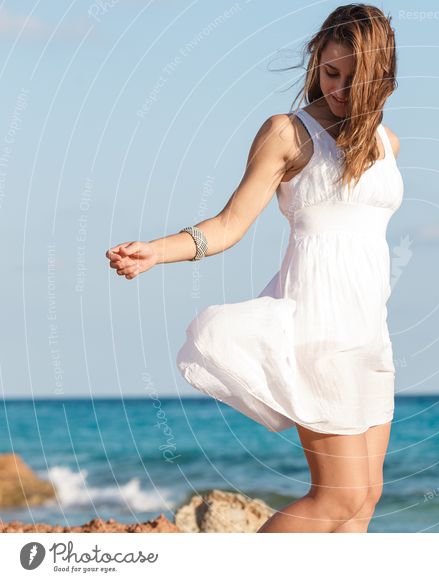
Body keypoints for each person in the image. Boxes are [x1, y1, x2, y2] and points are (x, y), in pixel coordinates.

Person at [105, 4, 402, 533]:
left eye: (354, 79)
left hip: (370, 332)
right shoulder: (289, 132)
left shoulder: (387, 143)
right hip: (318, 327)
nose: (338, 88)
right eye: (330, 72)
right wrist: (157, 249)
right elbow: (228, 224)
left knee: (364, 503)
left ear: (381, 78)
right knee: (338, 498)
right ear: (317, 62)